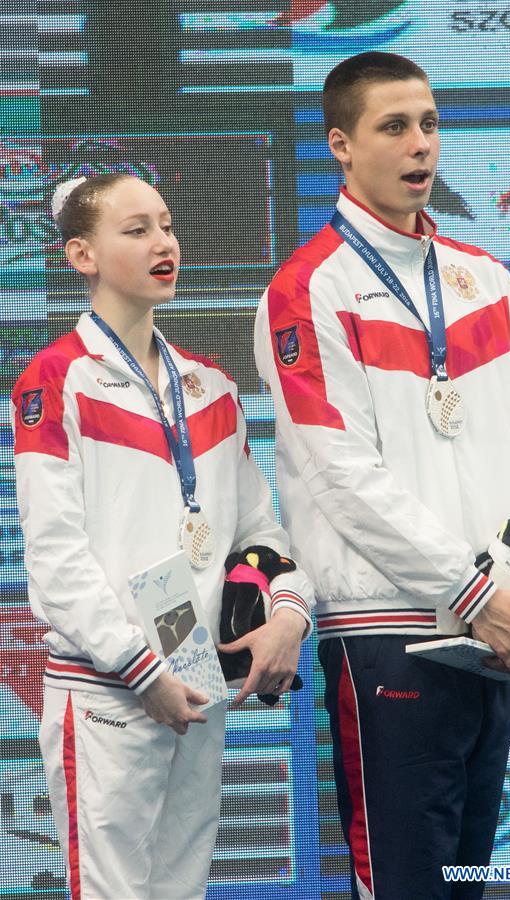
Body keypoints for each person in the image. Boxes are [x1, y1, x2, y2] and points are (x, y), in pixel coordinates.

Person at [254, 52, 510, 899]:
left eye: (430, 124)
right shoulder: (307, 289)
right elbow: (339, 473)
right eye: (394, 126)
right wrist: (480, 594)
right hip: (387, 630)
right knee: (406, 884)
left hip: (496, 631)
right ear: (340, 145)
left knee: (464, 882)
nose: (420, 144)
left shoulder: (488, 281)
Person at [12, 173, 313, 899]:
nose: (164, 243)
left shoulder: (212, 388)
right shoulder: (56, 379)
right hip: (109, 687)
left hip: (197, 681)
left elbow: (259, 531)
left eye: (168, 226)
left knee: (182, 890)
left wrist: (288, 614)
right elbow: (56, 557)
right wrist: (139, 669)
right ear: (82, 255)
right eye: (137, 229)